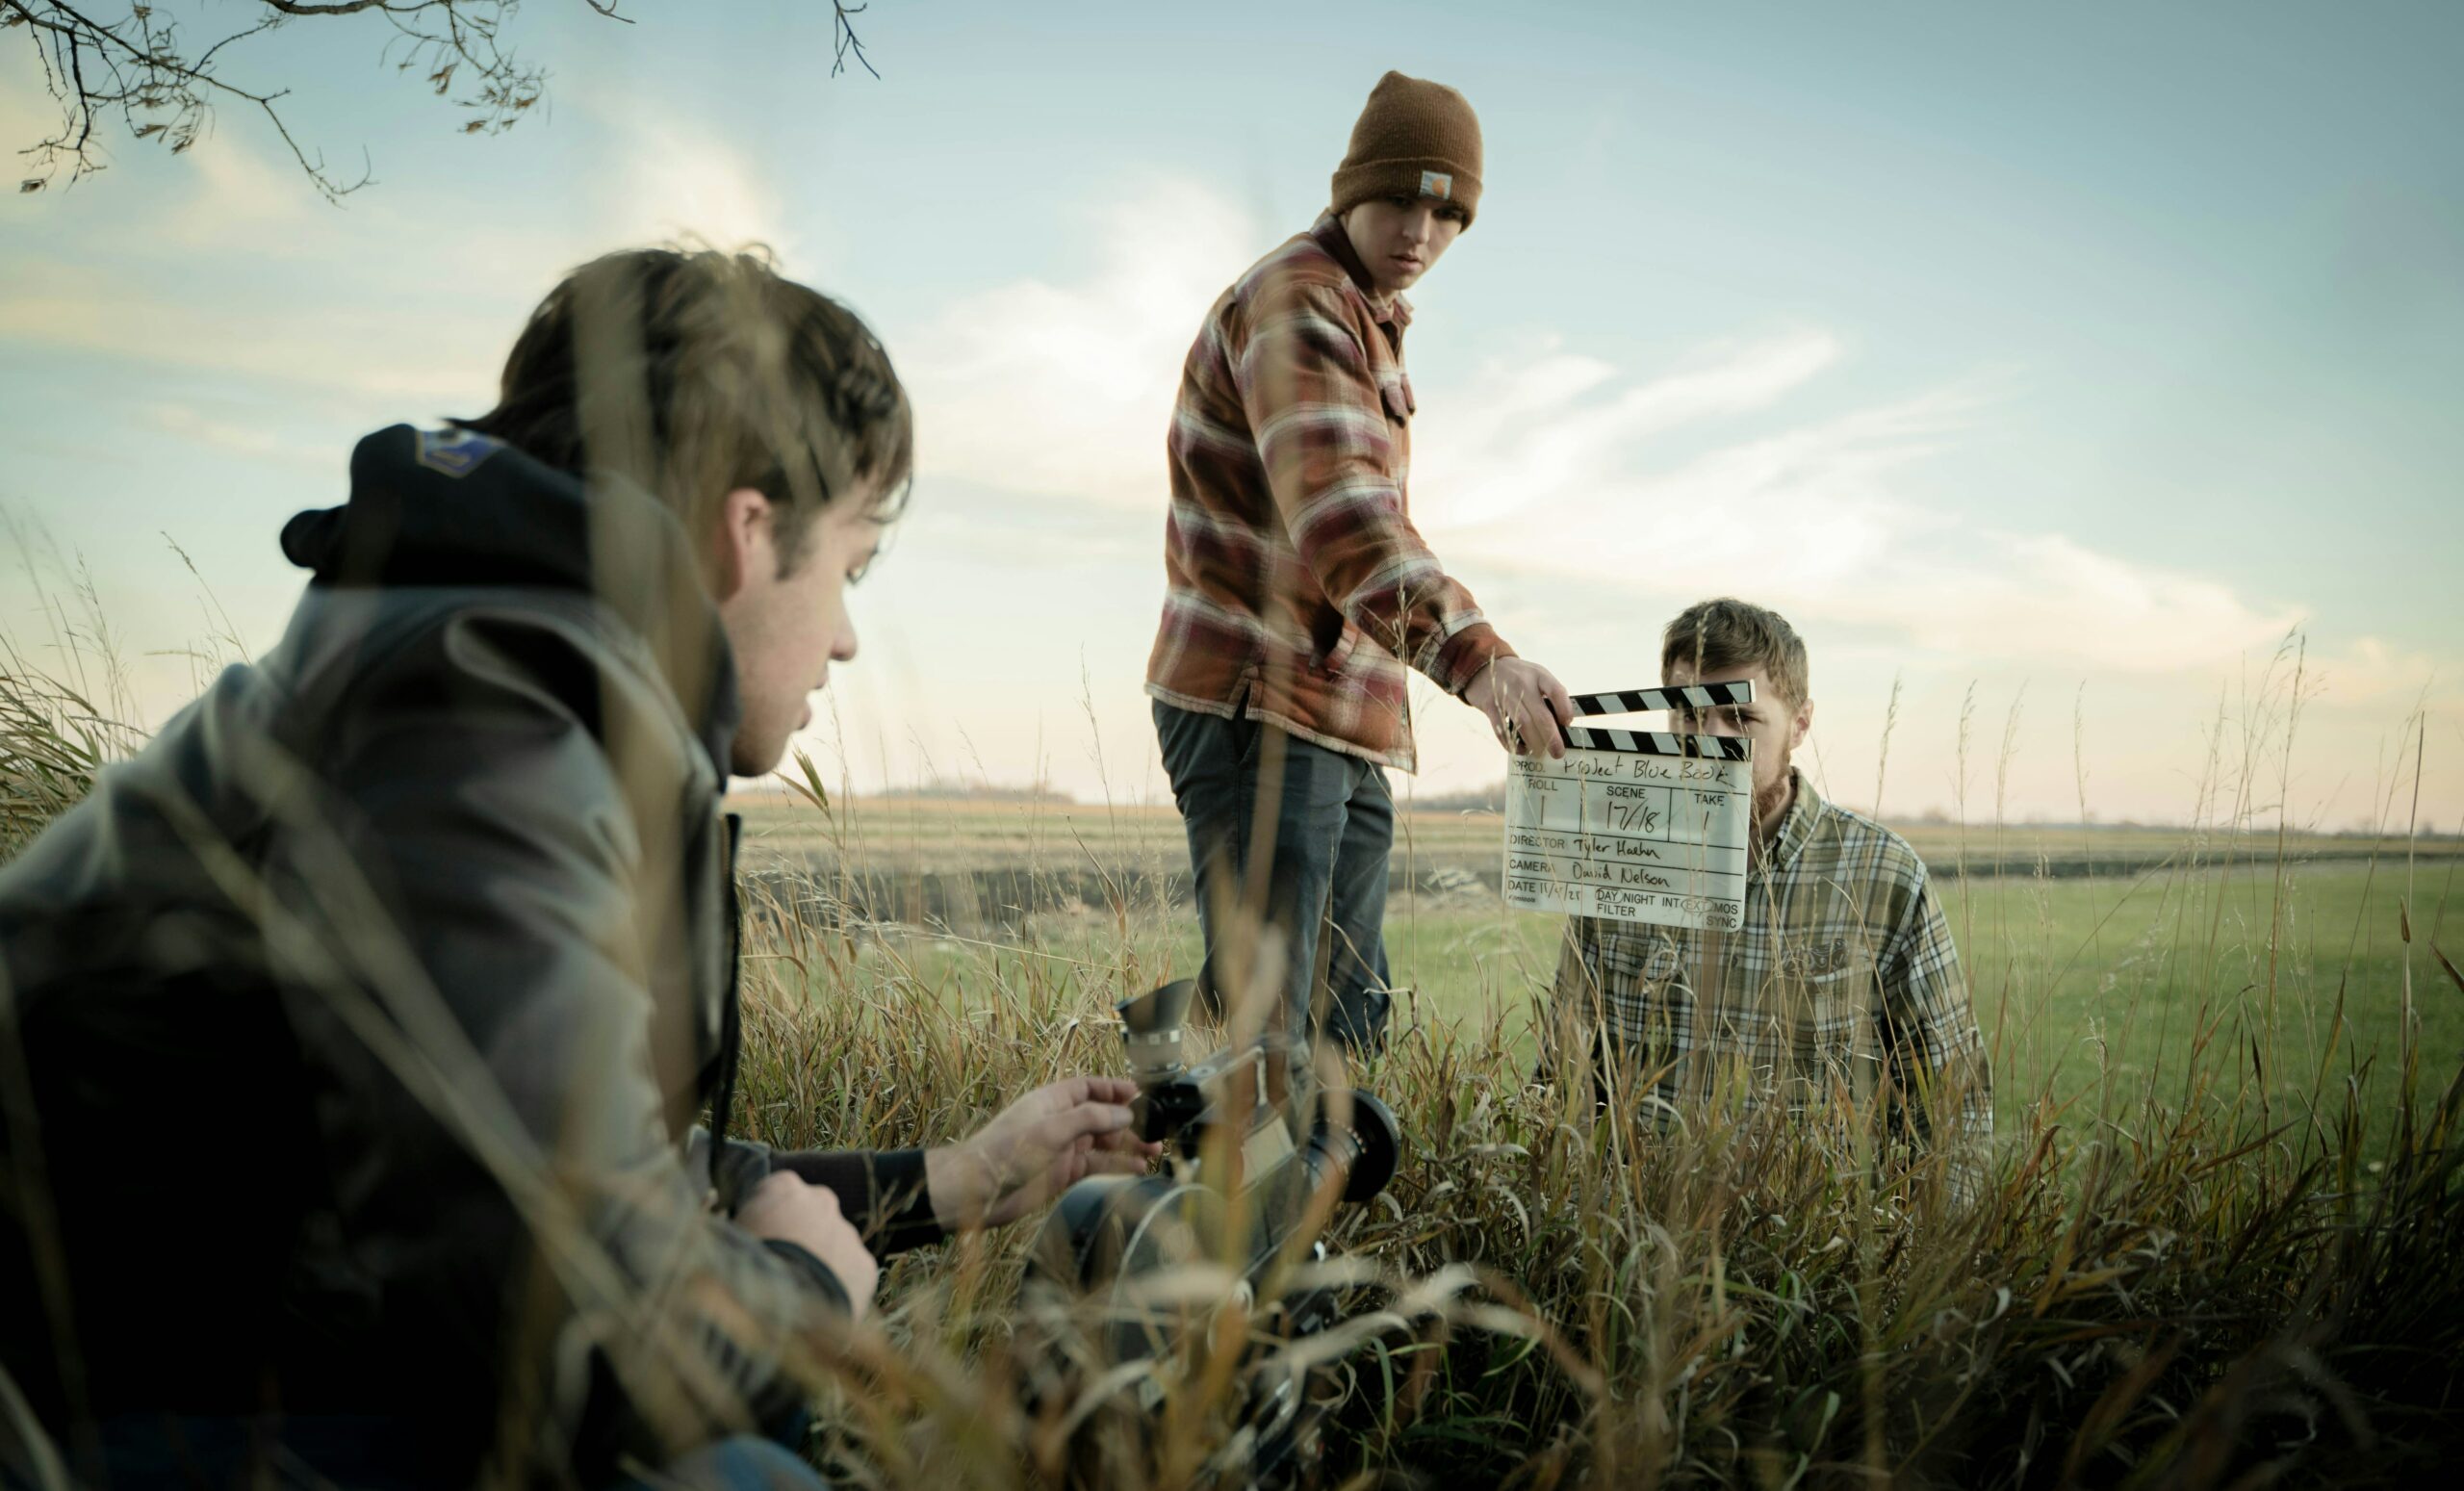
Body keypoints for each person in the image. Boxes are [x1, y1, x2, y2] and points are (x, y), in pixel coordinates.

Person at [0, 247, 1154, 1490]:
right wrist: (802, 1293)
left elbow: (581, 1167)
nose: (848, 637)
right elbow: (565, 1327)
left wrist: (956, 1180)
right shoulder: (479, 721)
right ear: (745, 529)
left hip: (205, 1375)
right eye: (851, 568)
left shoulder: (483, 672)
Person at [1146, 70, 1572, 1054]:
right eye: (1399, 199)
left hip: (1335, 715)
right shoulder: (1299, 303)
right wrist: (1479, 659)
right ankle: (1185, 1166)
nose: (1420, 232)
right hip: (1264, 705)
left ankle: (1203, 1132)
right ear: (1349, 190)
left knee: (1345, 1022)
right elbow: (1345, 520)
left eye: (1447, 212)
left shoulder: (1363, 311)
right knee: (1273, 1037)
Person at [1541, 599, 1993, 1191]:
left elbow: (1955, 1106)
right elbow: (1561, 1074)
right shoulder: (1620, 859)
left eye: (1742, 720)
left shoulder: (1885, 879)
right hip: (1634, 1246)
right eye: (1689, 717)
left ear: (1800, 724)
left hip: (1810, 1252)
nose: (1711, 741)